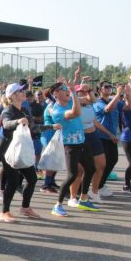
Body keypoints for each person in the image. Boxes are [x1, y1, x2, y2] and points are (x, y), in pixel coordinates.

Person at [0, 83, 60, 222]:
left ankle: (25, 207)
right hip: (9, 152)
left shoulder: (25, 110)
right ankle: (4, 212)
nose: (24, 92)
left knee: (32, 179)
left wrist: (51, 126)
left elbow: (34, 128)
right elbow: (6, 124)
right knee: (13, 182)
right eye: (20, 91)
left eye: (23, 90)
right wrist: (18, 121)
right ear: (12, 96)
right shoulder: (7, 110)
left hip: (22, 150)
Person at [47, 81, 94, 217]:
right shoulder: (57, 111)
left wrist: (88, 89)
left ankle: (83, 199)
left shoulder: (70, 99)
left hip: (82, 142)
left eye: (67, 88)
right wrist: (73, 93)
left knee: (91, 168)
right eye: (63, 89)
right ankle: (57, 205)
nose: (67, 90)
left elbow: (91, 100)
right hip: (70, 146)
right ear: (55, 94)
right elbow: (76, 112)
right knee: (72, 175)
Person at [93, 81, 126, 197]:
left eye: (110, 86)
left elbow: (129, 106)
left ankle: (100, 184)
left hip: (112, 137)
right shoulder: (97, 103)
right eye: (106, 87)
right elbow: (108, 109)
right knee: (102, 164)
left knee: (113, 160)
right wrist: (118, 94)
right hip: (101, 137)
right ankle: (97, 186)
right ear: (99, 90)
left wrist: (129, 91)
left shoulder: (115, 101)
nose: (108, 88)